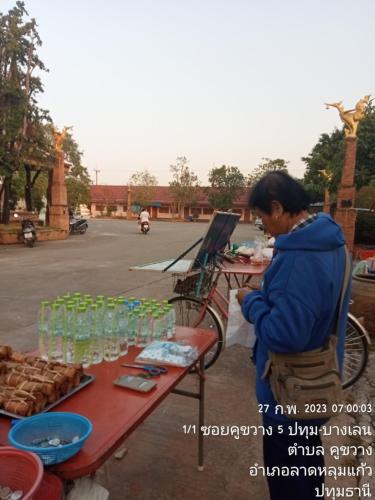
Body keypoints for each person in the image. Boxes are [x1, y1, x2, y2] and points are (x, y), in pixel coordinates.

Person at [237, 172, 350, 500]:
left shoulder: (299, 257)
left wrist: (252, 301)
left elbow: (282, 334)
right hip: (319, 381)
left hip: (290, 394)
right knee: (307, 463)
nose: (264, 226)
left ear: (277, 208)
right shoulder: (332, 242)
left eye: (261, 218)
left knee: (289, 478)